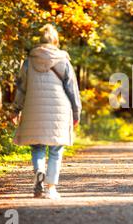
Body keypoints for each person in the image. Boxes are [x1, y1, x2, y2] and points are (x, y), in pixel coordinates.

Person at [12, 24, 81, 199]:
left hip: (34, 109)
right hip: (60, 110)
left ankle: (39, 172)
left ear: (40, 41)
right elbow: (72, 89)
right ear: (56, 41)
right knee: (56, 150)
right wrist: (76, 112)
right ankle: (51, 188)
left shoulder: (29, 61)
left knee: (37, 147)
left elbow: (21, 88)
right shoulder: (64, 61)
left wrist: (15, 110)